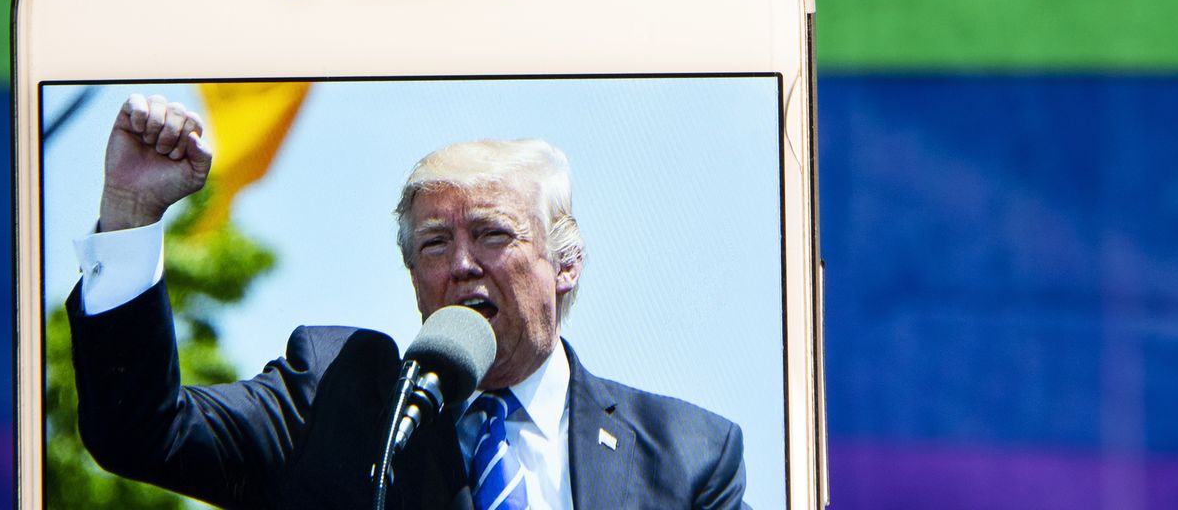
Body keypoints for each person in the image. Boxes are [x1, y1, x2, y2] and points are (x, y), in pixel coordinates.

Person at [66, 92, 749, 510]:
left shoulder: (686, 455)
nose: (460, 264)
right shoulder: (334, 396)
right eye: (432, 244)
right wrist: (130, 213)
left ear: (564, 264)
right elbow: (140, 432)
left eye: (491, 234)